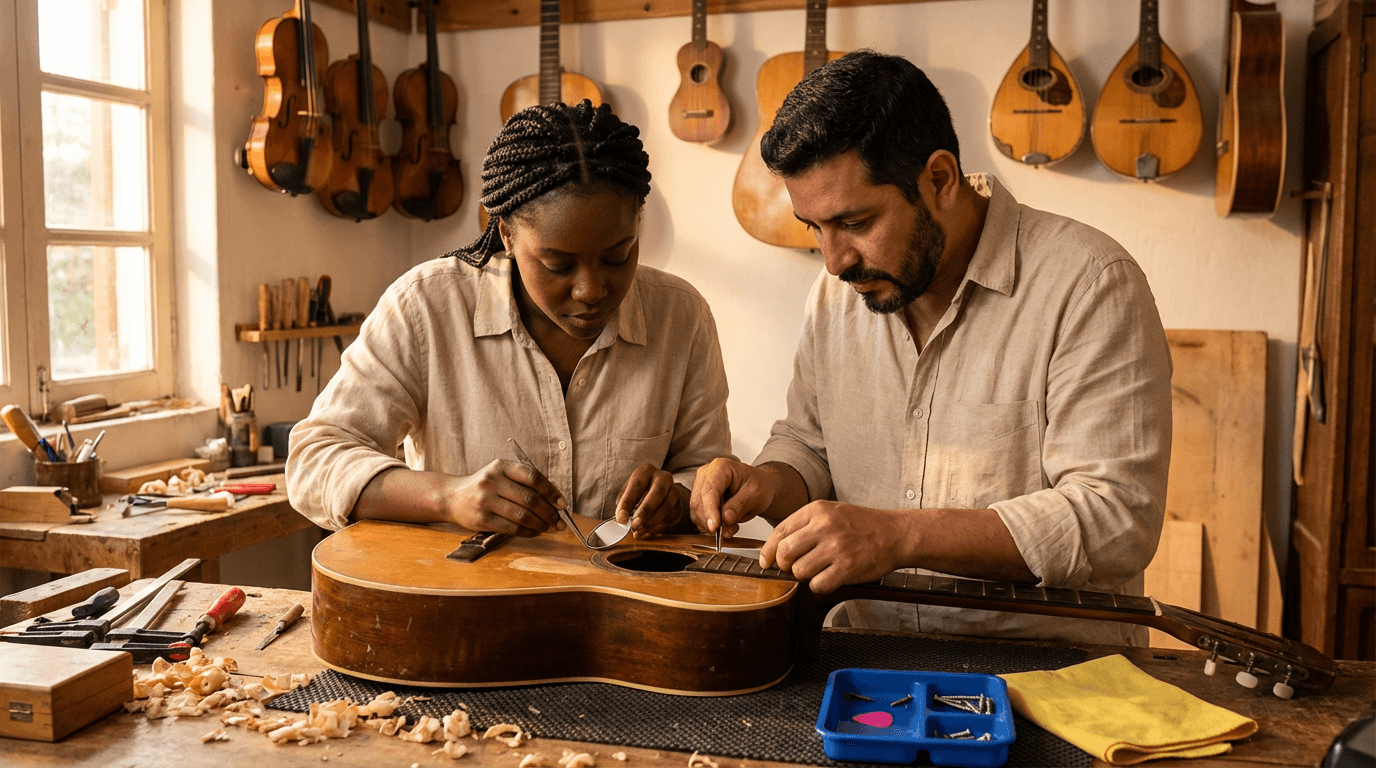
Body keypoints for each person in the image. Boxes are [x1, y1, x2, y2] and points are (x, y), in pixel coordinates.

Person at [690, 51, 1172, 646]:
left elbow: (1115, 519)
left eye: (856, 222)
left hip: (1055, 680)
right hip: (866, 664)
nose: (834, 261)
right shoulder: (838, 294)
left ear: (940, 179)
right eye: (815, 228)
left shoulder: (1089, 283)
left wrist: (899, 536)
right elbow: (810, 446)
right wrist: (768, 480)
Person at [289, 100, 733, 540]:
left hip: (626, 604)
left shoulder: (681, 317)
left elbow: (707, 473)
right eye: (558, 264)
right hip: (467, 603)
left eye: (617, 257)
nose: (590, 289)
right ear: (506, 235)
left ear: (638, 226)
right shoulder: (426, 308)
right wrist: (449, 497)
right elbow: (315, 460)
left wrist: (678, 499)